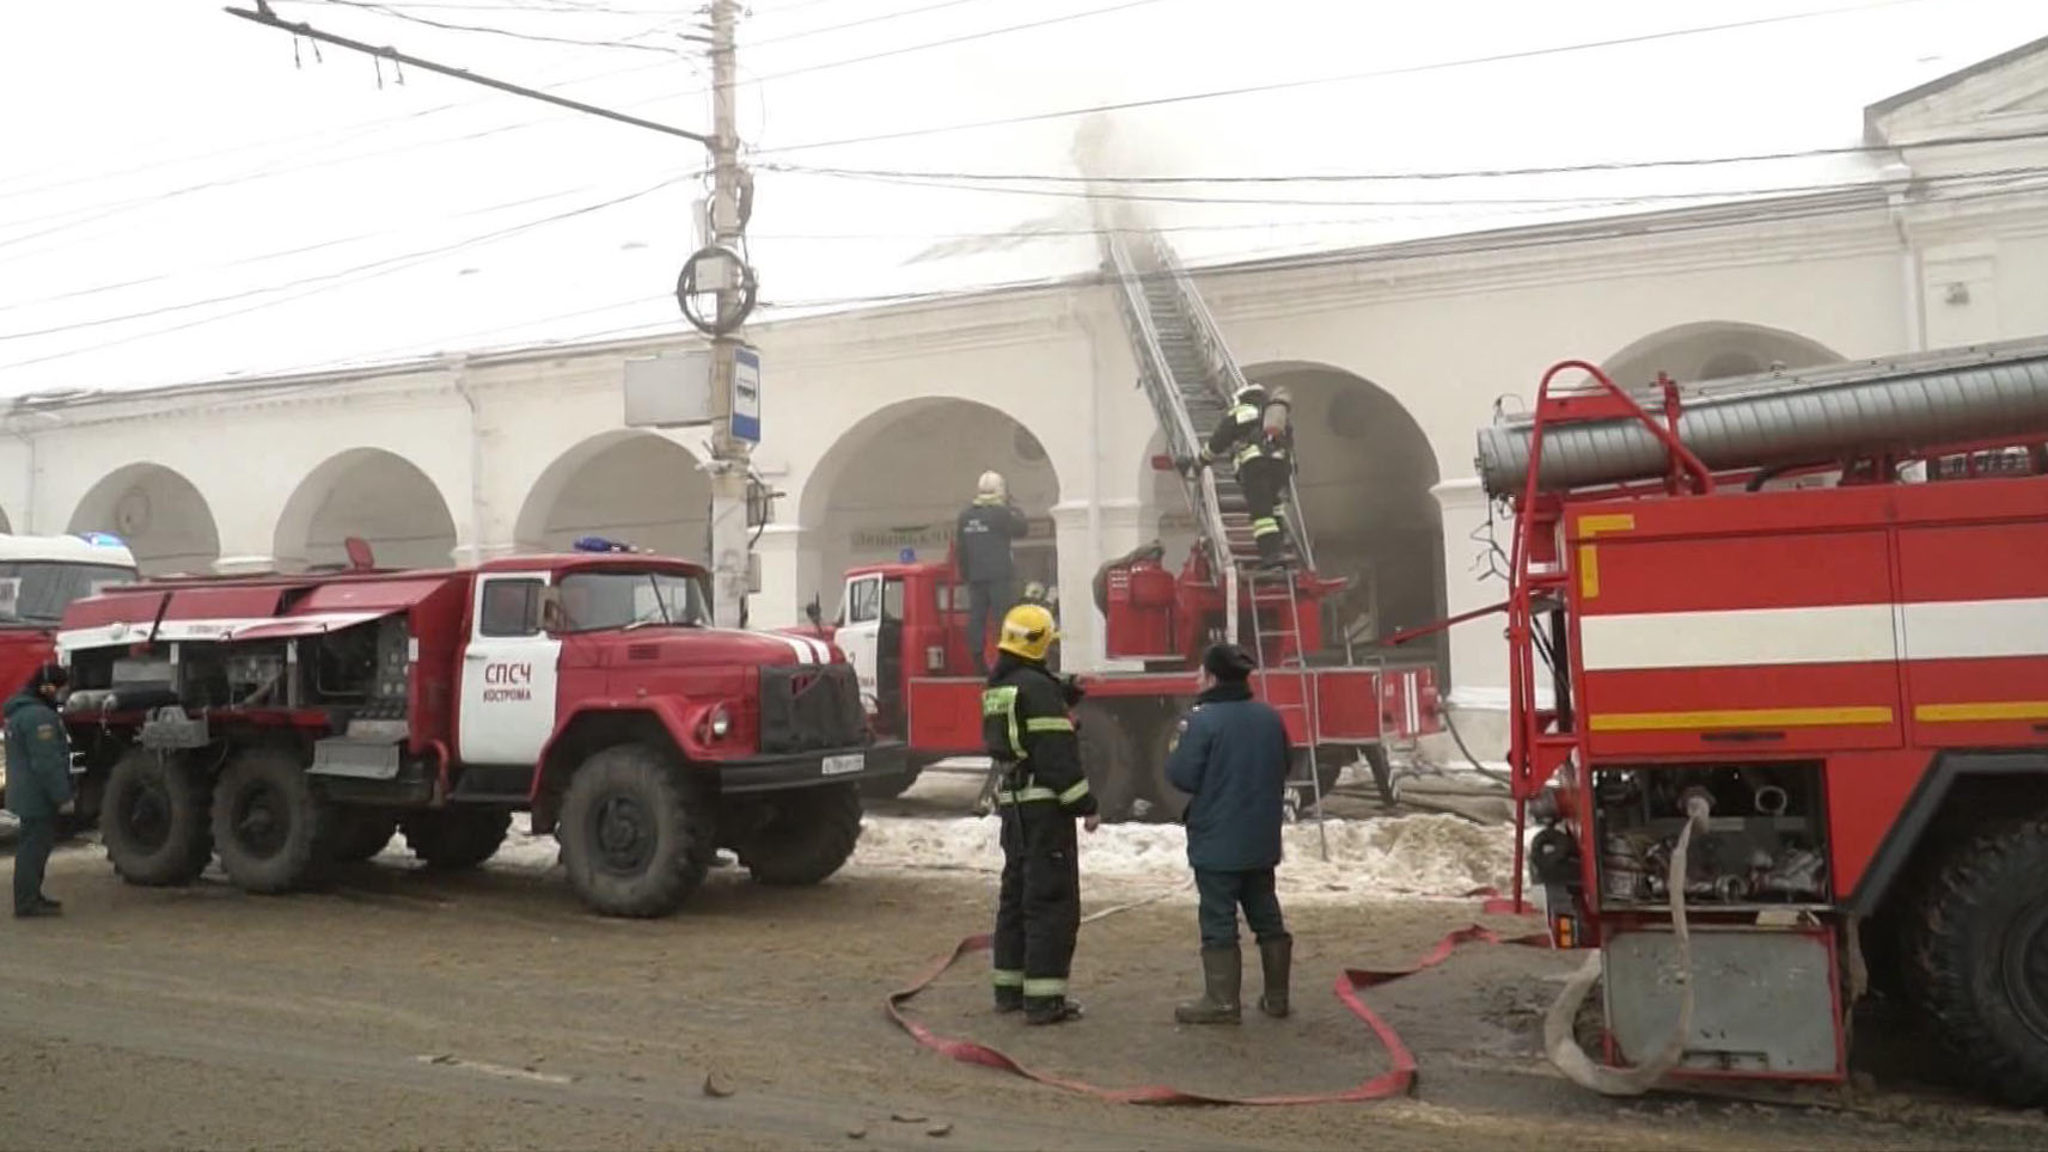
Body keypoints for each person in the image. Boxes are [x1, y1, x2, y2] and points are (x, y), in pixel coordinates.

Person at [1164, 643, 1293, 1024]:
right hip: (1261, 838)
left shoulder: (1202, 721)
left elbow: (1181, 775)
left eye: (1200, 672)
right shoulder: (1270, 717)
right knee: (1266, 913)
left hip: (1217, 840)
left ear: (1212, 677)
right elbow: (1285, 764)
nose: (1196, 679)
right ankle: (1277, 997)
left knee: (1218, 919)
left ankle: (1221, 1002)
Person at [983, 603, 1098, 1025]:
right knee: (1051, 902)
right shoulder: (1038, 689)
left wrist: (1063, 693)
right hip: (1044, 813)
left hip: (1014, 808)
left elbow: (1028, 714)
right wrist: (1086, 805)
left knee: (1015, 899)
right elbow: (1055, 756)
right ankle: (1045, 1000)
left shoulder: (999, 686)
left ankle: (1009, 991)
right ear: (1038, 645)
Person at [1200, 383, 1295, 568]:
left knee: (1262, 514)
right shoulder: (1274, 415)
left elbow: (1220, 439)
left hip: (1256, 465)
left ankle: (1270, 556)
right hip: (1281, 466)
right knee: (1275, 507)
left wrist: (1202, 459)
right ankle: (1279, 548)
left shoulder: (1243, 411)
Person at [5, 664, 72, 919]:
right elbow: (46, 762)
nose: (63, 695)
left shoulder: (22, 711)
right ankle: (27, 902)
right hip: (37, 796)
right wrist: (62, 796)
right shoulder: (39, 717)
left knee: (33, 847)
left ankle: (31, 896)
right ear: (48, 688)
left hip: (28, 793)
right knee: (34, 849)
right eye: (61, 689)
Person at [956, 471, 1029, 677]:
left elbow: (961, 550)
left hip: (975, 576)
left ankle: (978, 661)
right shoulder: (1001, 513)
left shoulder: (965, 516)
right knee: (1002, 618)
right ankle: (1006, 659)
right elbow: (1022, 529)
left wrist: (966, 575)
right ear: (1000, 490)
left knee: (976, 618)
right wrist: (1012, 506)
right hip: (999, 575)